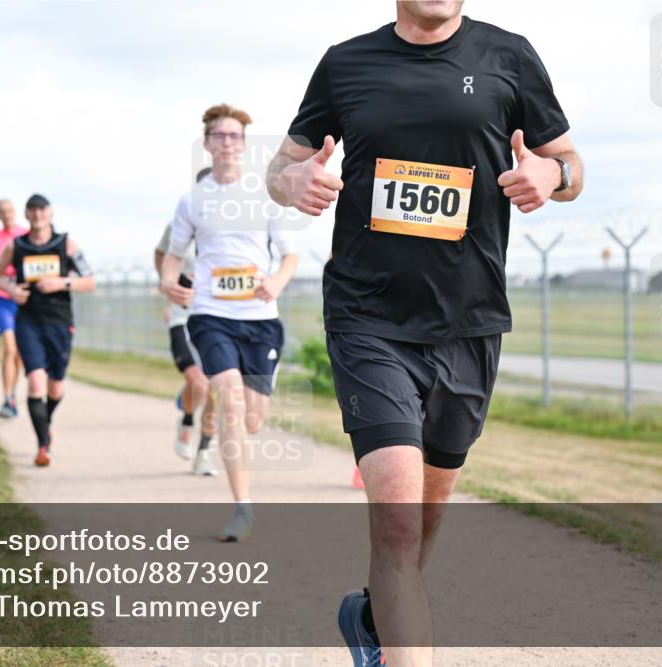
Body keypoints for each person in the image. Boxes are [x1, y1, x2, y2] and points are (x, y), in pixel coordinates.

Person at [266, 2, 584, 664]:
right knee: (399, 517)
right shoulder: (346, 62)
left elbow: (571, 165)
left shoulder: (510, 56)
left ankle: (375, 619)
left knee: (424, 522)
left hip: (470, 322)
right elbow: (281, 167)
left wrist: (552, 175)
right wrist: (291, 178)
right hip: (368, 315)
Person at [161, 103, 299, 541]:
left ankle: (233, 429)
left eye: (235, 136)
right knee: (230, 402)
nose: (227, 143)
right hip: (210, 314)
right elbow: (172, 256)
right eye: (220, 136)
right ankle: (242, 508)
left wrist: (275, 283)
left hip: (261, 319)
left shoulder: (265, 194)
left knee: (254, 418)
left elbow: (289, 255)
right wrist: (169, 283)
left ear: (244, 145)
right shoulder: (193, 200)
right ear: (207, 144)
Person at [0, 194, 96, 467]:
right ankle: (43, 445)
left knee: (56, 386)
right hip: (29, 321)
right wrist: (12, 290)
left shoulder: (66, 244)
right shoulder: (17, 246)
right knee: (36, 380)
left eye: (42, 210)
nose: (37, 215)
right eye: (32, 210)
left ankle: (45, 421)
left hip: (59, 321)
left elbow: (90, 281)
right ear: (26, 215)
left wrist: (62, 283)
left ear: (50, 213)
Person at [154, 167, 218, 476]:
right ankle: (188, 421)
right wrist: (168, 283)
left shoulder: (236, 230)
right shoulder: (180, 225)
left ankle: (204, 452)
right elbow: (160, 254)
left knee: (217, 389)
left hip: (220, 318)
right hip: (183, 316)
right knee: (199, 382)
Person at [0, 198, 29, 418]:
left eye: (9, 210)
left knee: (18, 353)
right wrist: (2, 264)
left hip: (23, 298)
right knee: (9, 348)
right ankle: (8, 397)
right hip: (3, 298)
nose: (7, 214)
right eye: (2, 211)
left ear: (15, 212)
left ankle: (13, 394)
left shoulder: (25, 234)